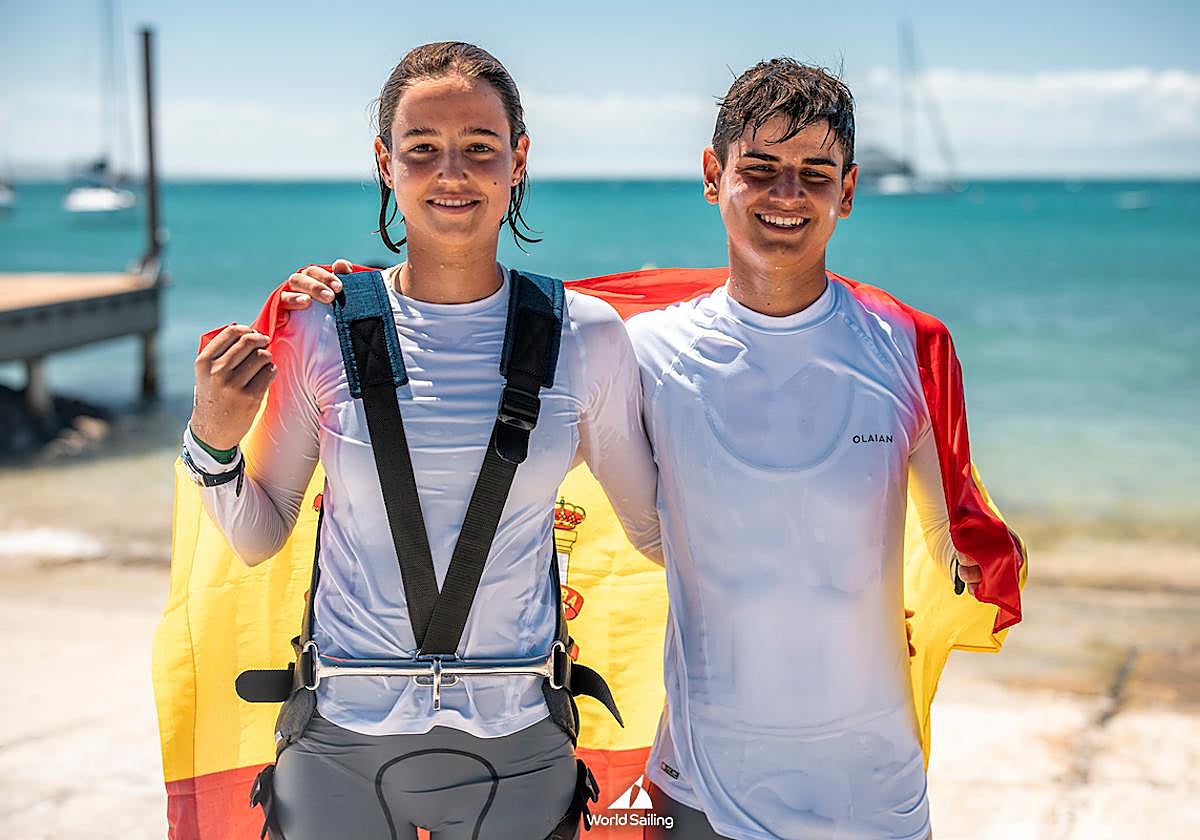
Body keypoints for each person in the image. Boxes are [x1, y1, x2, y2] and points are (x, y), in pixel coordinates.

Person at [284, 59, 1024, 840]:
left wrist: (978, 564)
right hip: (701, 787)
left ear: (848, 188)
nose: (786, 195)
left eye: (814, 174)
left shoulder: (911, 349)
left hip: (878, 790)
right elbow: (478, 435)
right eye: (761, 169)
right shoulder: (646, 351)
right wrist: (349, 309)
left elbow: (953, 538)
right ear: (714, 176)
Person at [182, 41, 660, 840]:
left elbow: (655, 533)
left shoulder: (588, 338)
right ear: (384, 162)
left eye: (480, 148)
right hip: (340, 743)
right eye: (423, 150)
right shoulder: (321, 329)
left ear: (519, 159)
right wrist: (213, 440)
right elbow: (259, 536)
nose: (453, 174)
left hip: (519, 740)